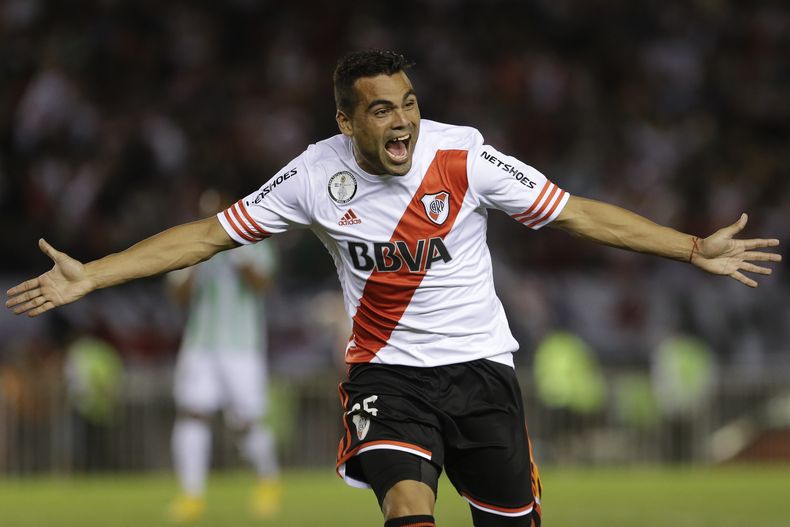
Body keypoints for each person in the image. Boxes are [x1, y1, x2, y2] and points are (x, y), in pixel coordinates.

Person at [5, 50, 781, 527]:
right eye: (383, 109)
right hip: (386, 376)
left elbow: (574, 215)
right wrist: (93, 273)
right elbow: (207, 236)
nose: (403, 119)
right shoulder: (314, 173)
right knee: (406, 506)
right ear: (347, 121)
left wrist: (689, 247)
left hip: (482, 372)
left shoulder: (466, 156)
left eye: (409, 102)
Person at [164, 190, 281, 523]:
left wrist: (234, 253)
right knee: (191, 413)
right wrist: (197, 264)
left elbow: (264, 285)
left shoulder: (253, 239)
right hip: (200, 343)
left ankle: (267, 481)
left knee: (245, 421)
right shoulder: (193, 243)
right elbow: (177, 295)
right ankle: (191, 496)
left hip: (241, 345)